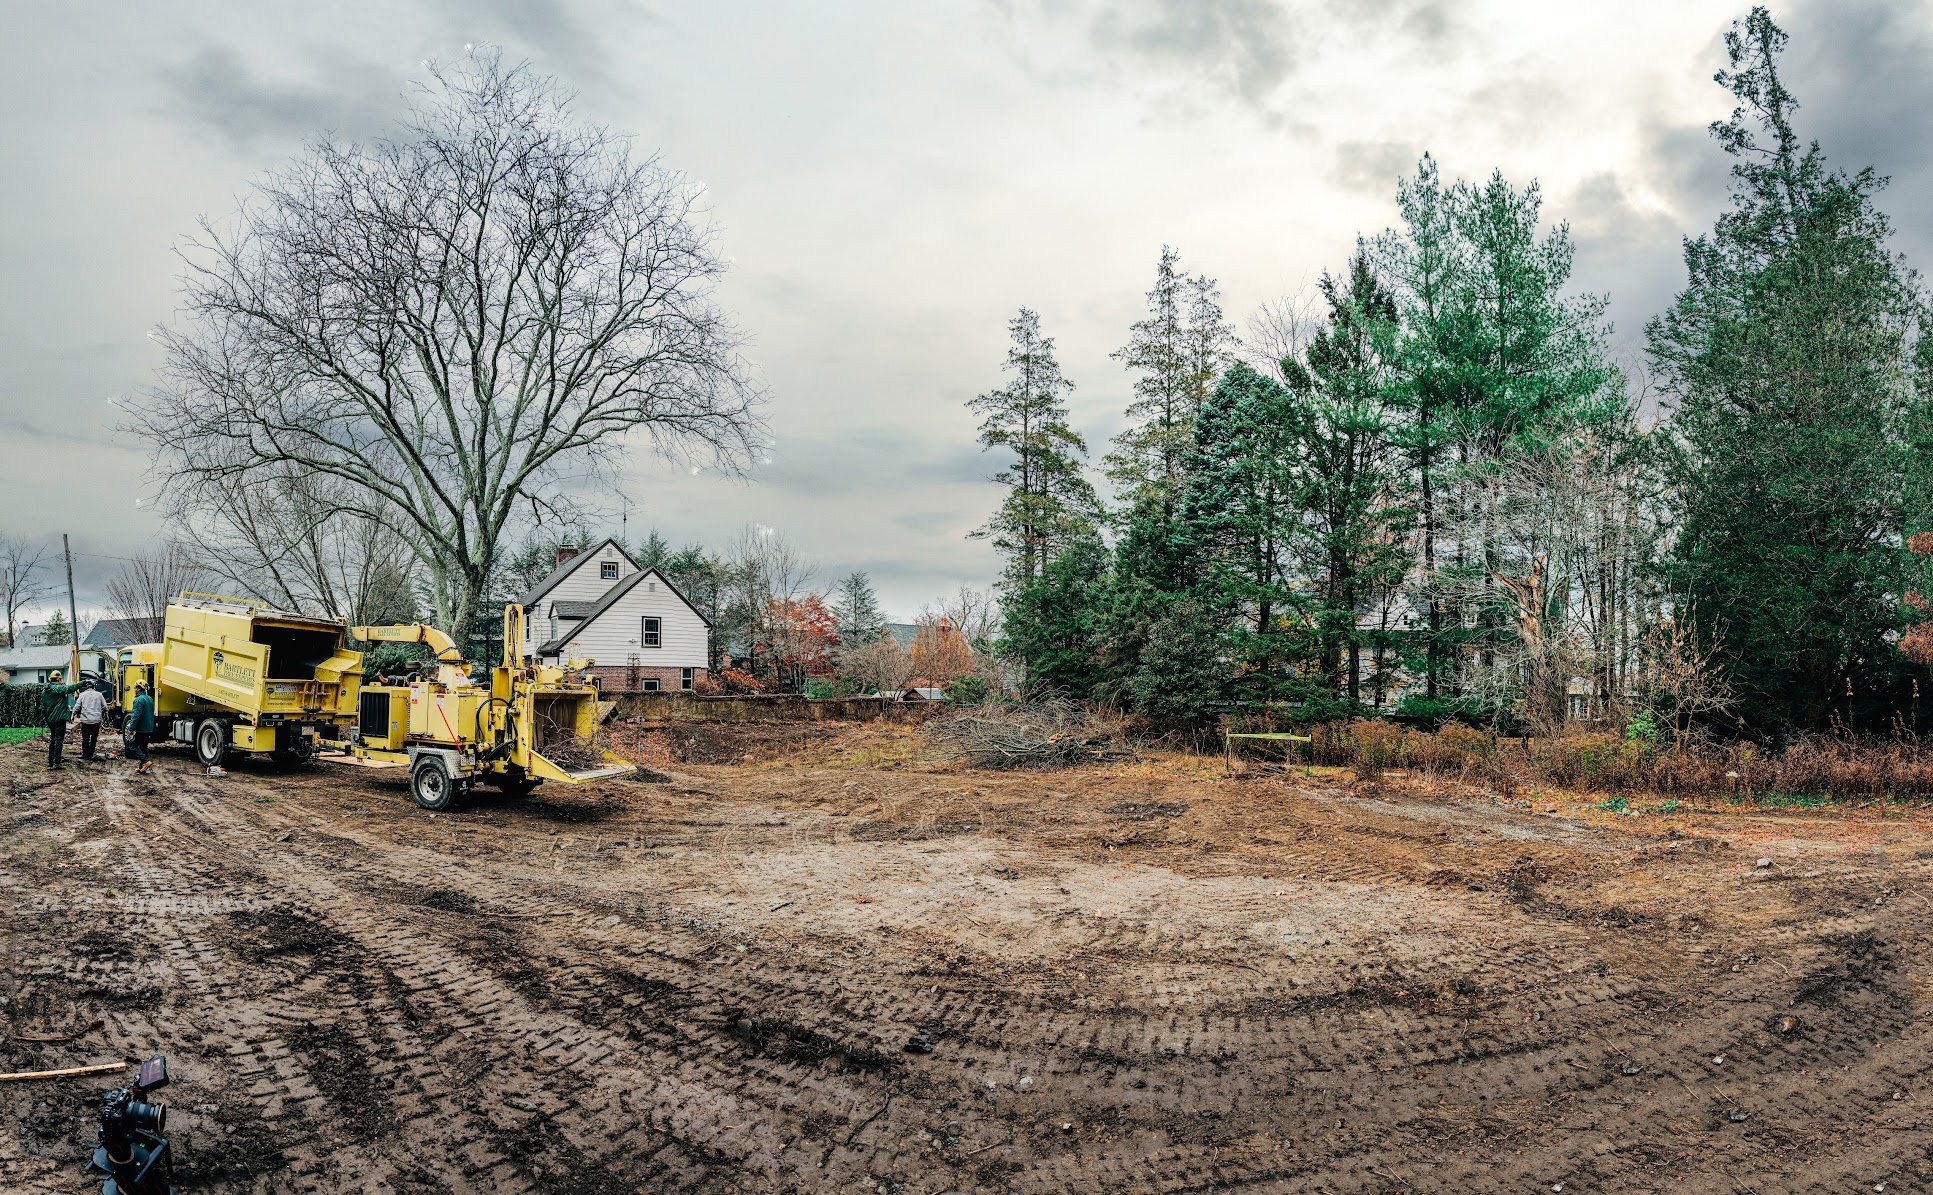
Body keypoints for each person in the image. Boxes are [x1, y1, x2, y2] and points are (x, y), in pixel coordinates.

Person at [39, 669, 83, 770]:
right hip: (59, 719)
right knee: (58, 740)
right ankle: (56, 762)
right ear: (58, 679)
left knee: (53, 739)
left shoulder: (45, 691)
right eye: (60, 680)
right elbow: (69, 688)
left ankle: (51, 761)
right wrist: (82, 683)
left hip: (51, 719)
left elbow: (44, 707)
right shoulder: (57, 689)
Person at [72, 679, 108, 762]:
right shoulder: (99, 695)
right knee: (94, 738)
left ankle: (85, 755)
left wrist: (73, 714)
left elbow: (77, 707)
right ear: (94, 686)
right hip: (96, 720)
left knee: (85, 738)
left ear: (86, 687)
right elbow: (105, 707)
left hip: (85, 720)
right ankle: (91, 753)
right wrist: (102, 712)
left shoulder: (82, 695)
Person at [126, 682, 156, 775]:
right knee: (143, 746)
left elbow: (136, 716)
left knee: (132, 745)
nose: (134, 690)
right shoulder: (150, 699)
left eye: (135, 688)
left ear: (139, 689)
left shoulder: (139, 700)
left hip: (141, 728)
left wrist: (131, 727)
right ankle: (142, 767)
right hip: (148, 727)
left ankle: (145, 761)